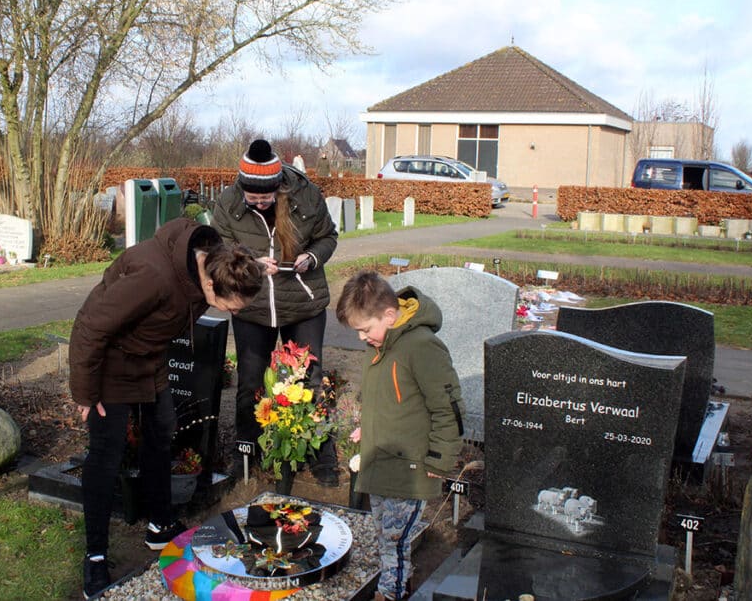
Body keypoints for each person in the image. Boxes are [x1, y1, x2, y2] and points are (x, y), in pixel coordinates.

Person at [69, 217, 263, 599]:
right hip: (111, 365)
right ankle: (94, 556)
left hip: (150, 359)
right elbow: (92, 325)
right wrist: (85, 393)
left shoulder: (212, 259)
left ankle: (159, 525)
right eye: (230, 307)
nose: (234, 314)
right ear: (210, 284)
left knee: (161, 435)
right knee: (106, 458)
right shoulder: (153, 276)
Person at [211, 138, 340, 486]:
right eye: (252, 198)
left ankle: (320, 455)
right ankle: (247, 451)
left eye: (264, 197)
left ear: (277, 186)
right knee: (251, 382)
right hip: (252, 308)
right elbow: (218, 250)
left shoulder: (307, 196)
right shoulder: (228, 202)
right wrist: (249, 264)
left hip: (302, 304)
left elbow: (328, 236)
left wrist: (311, 257)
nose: (259, 202)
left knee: (309, 380)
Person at [335, 271, 464, 601]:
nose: (362, 338)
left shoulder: (422, 347)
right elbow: (391, 398)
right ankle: (393, 585)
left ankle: (390, 594)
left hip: (410, 467)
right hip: (383, 461)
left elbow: (447, 407)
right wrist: (370, 425)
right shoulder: (381, 344)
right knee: (385, 534)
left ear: (389, 316)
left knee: (395, 539)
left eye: (365, 329)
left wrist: (441, 457)